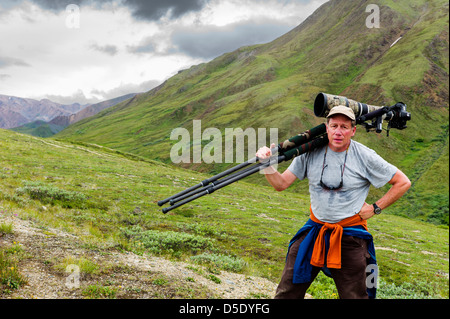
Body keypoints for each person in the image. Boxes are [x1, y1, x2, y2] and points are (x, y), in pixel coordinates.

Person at [256, 105, 411, 299]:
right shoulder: (309, 151)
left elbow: (403, 182)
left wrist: (375, 208)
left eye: (344, 127)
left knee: (355, 296)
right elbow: (281, 184)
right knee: (287, 292)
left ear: (353, 131)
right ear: (327, 128)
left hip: (349, 235)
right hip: (314, 230)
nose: (338, 132)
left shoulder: (365, 156)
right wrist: (266, 164)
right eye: (334, 125)